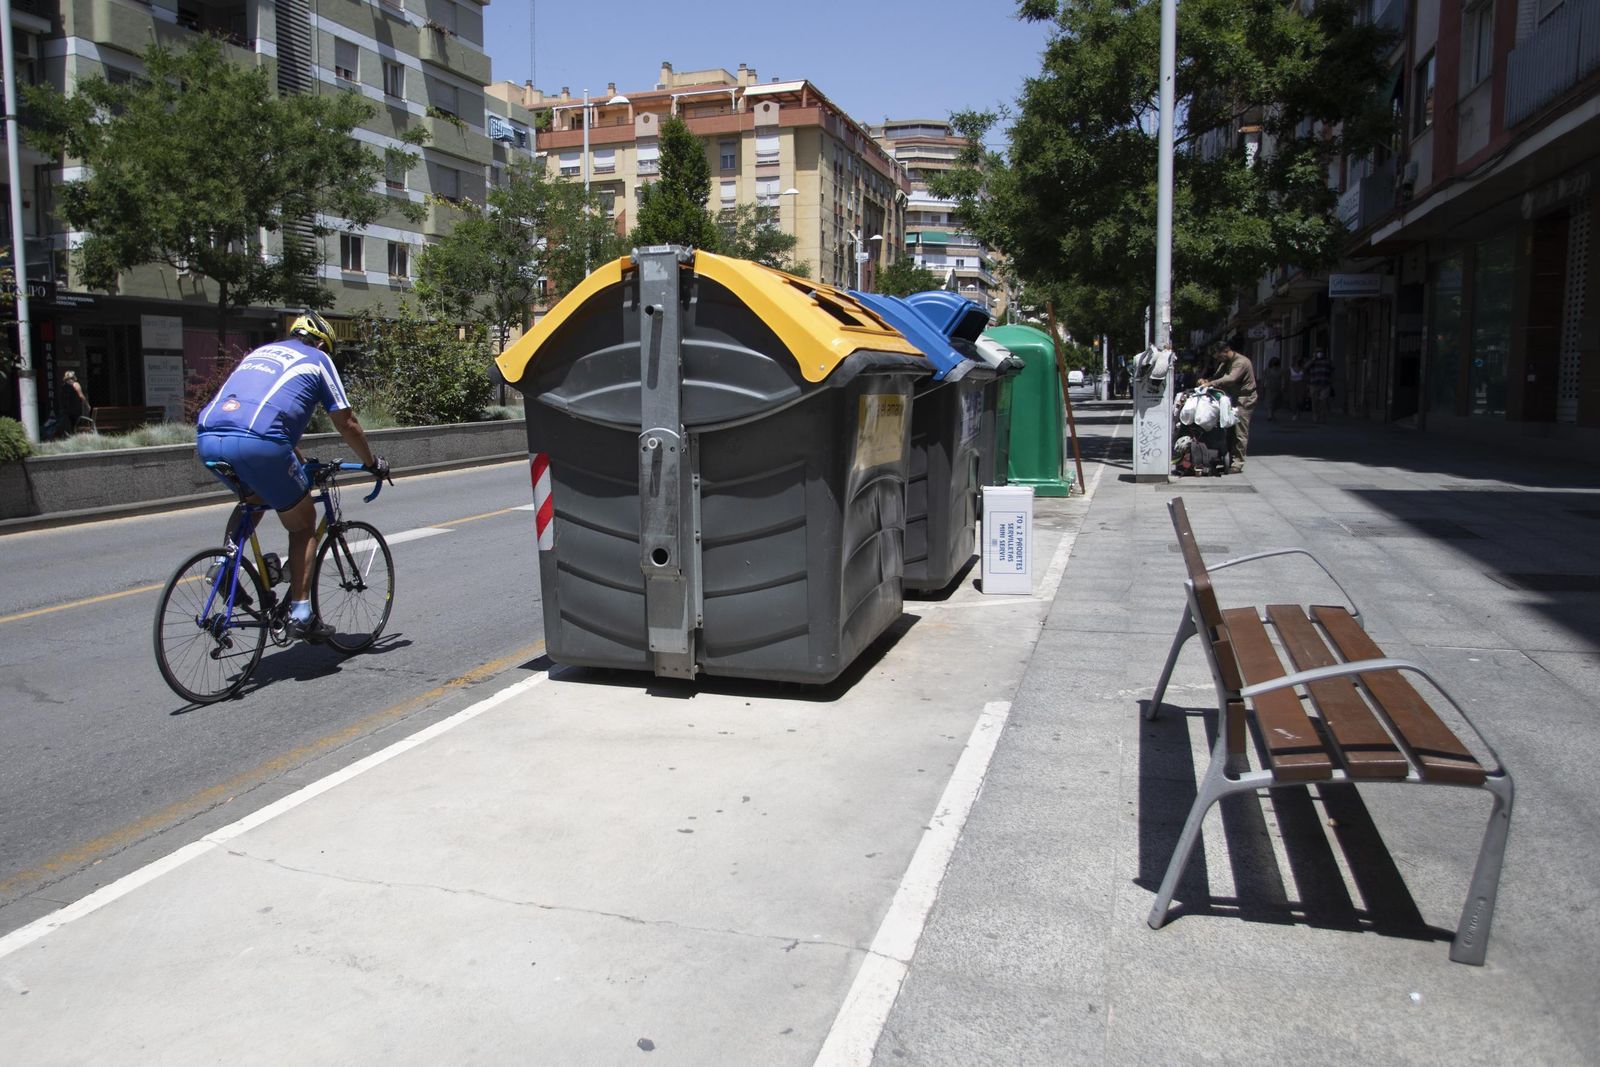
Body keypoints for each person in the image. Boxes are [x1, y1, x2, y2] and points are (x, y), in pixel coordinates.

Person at [196, 311, 387, 643]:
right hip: (261, 444)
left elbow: (261, 411)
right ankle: (301, 613)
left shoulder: (259, 353)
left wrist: (296, 457)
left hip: (209, 437)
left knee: (252, 499)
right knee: (303, 524)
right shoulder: (317, 360)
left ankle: (224, 564)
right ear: (321, 343)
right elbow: (347, 423)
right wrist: (371, 461)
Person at [1197, 335, 1257, 475]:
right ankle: (1230, 458)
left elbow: (1231, 378)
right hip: (1232, 398)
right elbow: (1218, 377)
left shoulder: (1240, 362)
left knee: (1239, 431)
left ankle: (1238, 463)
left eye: (1219, 356)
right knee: (1229, 429)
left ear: (1226, 351)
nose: (1218, 360)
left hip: (1245, 399)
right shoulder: (1225, 363)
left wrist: (1211, 383)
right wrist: (1206, 380)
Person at [1308, 347, 1333, 424]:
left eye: (1320, 352)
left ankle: (1323, 417)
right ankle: (1315, 415)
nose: (1319, 353)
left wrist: (1331, 381)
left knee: (1324, 401)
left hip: (1325, 384)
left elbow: (1332, 370)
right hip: (1314, 384)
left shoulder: (1327, 361)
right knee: (1315, 402)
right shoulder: (1311, 361)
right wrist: (1313, 359)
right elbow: (1306, 367)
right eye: (1317, 352)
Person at [1262, 354, 1281, 421]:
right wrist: (1262, 386)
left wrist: (1283, 385)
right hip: (1269, 387)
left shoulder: (1280, 370)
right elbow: (1264, 378)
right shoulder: (1267, 370)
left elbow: (1283, 378)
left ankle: (1272, 413)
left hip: (1277, 387)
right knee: (1270, 401)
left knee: (1276, 402)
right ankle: (1269, 414)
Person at [1288, 354, 1307, 421]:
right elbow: (1288, 378)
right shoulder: (1290, 368)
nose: (1297, 361)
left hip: (1301, 385)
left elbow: (1305, 378)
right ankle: (1294, 413)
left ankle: (1298, 411)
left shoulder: (1303, 368)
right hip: (1293, 385)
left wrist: (1305, 387)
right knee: (1293, 400)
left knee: (1300, 400)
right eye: (1296, 359)